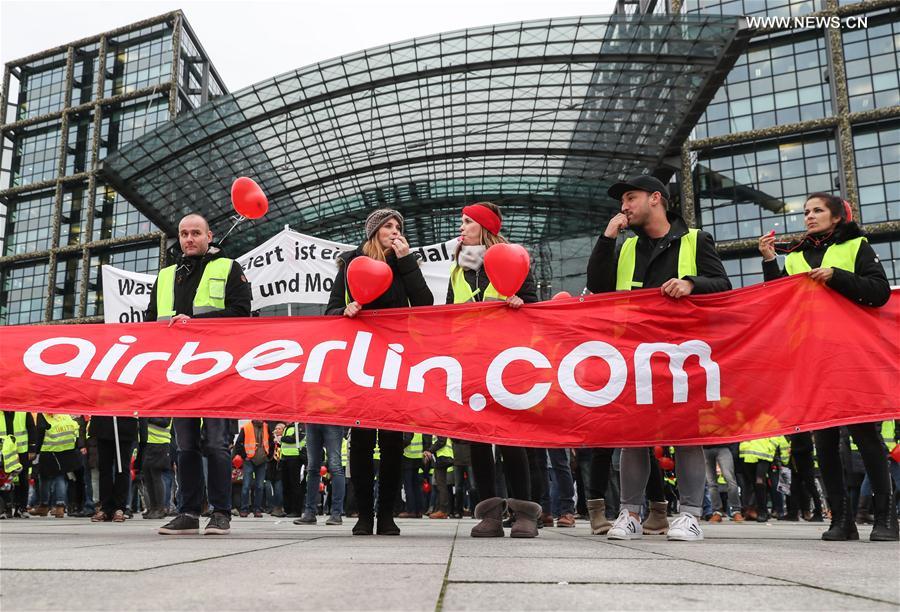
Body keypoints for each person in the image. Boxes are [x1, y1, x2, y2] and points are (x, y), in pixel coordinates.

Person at [586, 174, 731, 542]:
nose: (624, 206)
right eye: (623, 201)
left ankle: (690, 515)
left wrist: (692, 283)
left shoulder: (695, 240)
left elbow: (724, 286)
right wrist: (607, 238)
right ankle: (630, 513)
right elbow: (600, 287)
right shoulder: (626, 247)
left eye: (631, 198)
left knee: (686, 435)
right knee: (633, 434)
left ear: (655, 199)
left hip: (683, 357)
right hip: (636, 355)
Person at [758, 192, 897, 541]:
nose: (809, 216)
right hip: (813, 359)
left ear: (837, 217)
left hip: (853, 357)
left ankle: (886, 520)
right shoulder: (795, 257)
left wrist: (836, 276)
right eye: (806, 211)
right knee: (825, 441)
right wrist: (769, 262)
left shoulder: (856, 246)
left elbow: (879, 291)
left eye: (817, 210)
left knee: (867, 438)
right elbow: (779, 305)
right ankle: (842, 521)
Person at [325, 208, 434, 535]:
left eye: (398, 226)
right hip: (360, 360)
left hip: (396, 359)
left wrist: (407, 262)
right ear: (374, 232)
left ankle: (386, 514)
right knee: (359, 440)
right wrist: (344, 310)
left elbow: (425, 304)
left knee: (391, 440)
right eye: (388, 226)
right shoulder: (351, 263)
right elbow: (329, 310)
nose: (394, 230)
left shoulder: (404, 264)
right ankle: (362, 515)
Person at [146, 213, 251, 535]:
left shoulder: (228, 268)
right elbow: (150, 319)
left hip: (217, 368)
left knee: (217, 443)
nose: (188, 239)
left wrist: (194, 322)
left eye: (195, 233)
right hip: (179, 370)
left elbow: (241, 312)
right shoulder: (165, 276)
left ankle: (221, 513)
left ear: (209, 236)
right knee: (185, 445)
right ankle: (188, 513)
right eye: (183, 234)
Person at [446, 201, 543, 538]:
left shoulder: (512, 259)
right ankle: (488, 513)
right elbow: (447, 313)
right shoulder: (457, 269)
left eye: (468, 222)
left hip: (507, 362)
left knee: (510, 437)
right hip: (471, 361)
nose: (462, 227)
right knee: (477, 439)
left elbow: (533, 303)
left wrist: (520, 303)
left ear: (485, 228)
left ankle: (524, 513)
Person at [88, 416, 138, 523]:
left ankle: (120, 507)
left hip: (125, 425)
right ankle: (105, 507)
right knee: (104, 468)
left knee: (122, 468)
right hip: (104, 425)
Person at [31, 414, 82, 518]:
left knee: (44, 478)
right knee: (60, 477)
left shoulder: (44, 414)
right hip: (66, 449)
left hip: (49, 449)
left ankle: (44, 506)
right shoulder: (65, 414)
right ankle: (60, 507)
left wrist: (35, 451)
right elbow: (75, 429)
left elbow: (40, 432)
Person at [295, 423, 346, 526]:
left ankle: (335, 513)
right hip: (314, 419)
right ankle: (311, 513)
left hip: (331, 418)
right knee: (313, 468)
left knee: (334, 466)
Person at [234, 420, 274, 517]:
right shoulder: (246, 427)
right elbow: (238, 444)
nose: (260, 418)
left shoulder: (266, 426)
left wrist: (269, 455)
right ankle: (244, 509)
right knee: (246, 486)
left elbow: (271, 441)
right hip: (249, 460)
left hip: (262, 460)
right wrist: (244, 456)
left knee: (259, 486)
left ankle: (257, 509)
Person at [136, 417, 173, 520]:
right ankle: (153, 508)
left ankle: (160, 509)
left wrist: (148, 418)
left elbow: (165, 422)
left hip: (160, 443)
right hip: (148, 443)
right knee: (148, 477)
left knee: (156, 477)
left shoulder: (164, 407)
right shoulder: (152, 407)